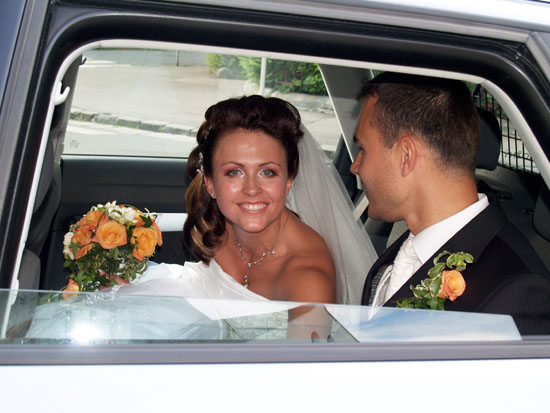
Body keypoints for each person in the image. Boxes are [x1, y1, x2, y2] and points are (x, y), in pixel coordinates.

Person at [25, 95, 378, 342]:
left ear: (288, 181)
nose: (252, 190)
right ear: (210, 183)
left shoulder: (308, 279)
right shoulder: (220, 224)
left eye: (268, 172)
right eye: (234, 172)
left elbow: (300, 383)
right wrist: (131, 291)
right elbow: (205, 287)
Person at [353, 72, 550, 335]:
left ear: (406, 156)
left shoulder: (518, 293)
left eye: (363, 149)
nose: (355, 166)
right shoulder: (407, 245)